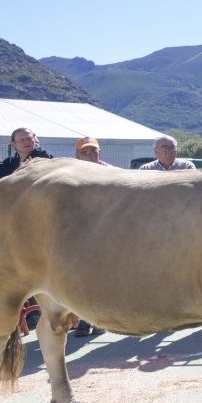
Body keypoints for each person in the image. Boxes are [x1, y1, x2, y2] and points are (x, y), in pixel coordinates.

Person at [0, 127, 54, 330]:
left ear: (36, 140)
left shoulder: (47, 160)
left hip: (38, 228)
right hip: (11, 230)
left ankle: (35, 313)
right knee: (2, 271)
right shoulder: (8, 164)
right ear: (13, 145)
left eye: (30, 138)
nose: (27, 142)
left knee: (37, 272)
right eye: (22, 139)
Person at [72, 136, 111, 336]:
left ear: (99, 153)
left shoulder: (111, 173)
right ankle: (82, 320)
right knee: (79, 280)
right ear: (77, 155)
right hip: (78, 235)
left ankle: (99, 321)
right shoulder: (69, 175)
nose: (89, 155)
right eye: (84, 152)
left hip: (104, 235)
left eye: (93, 151)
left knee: (101, 279)